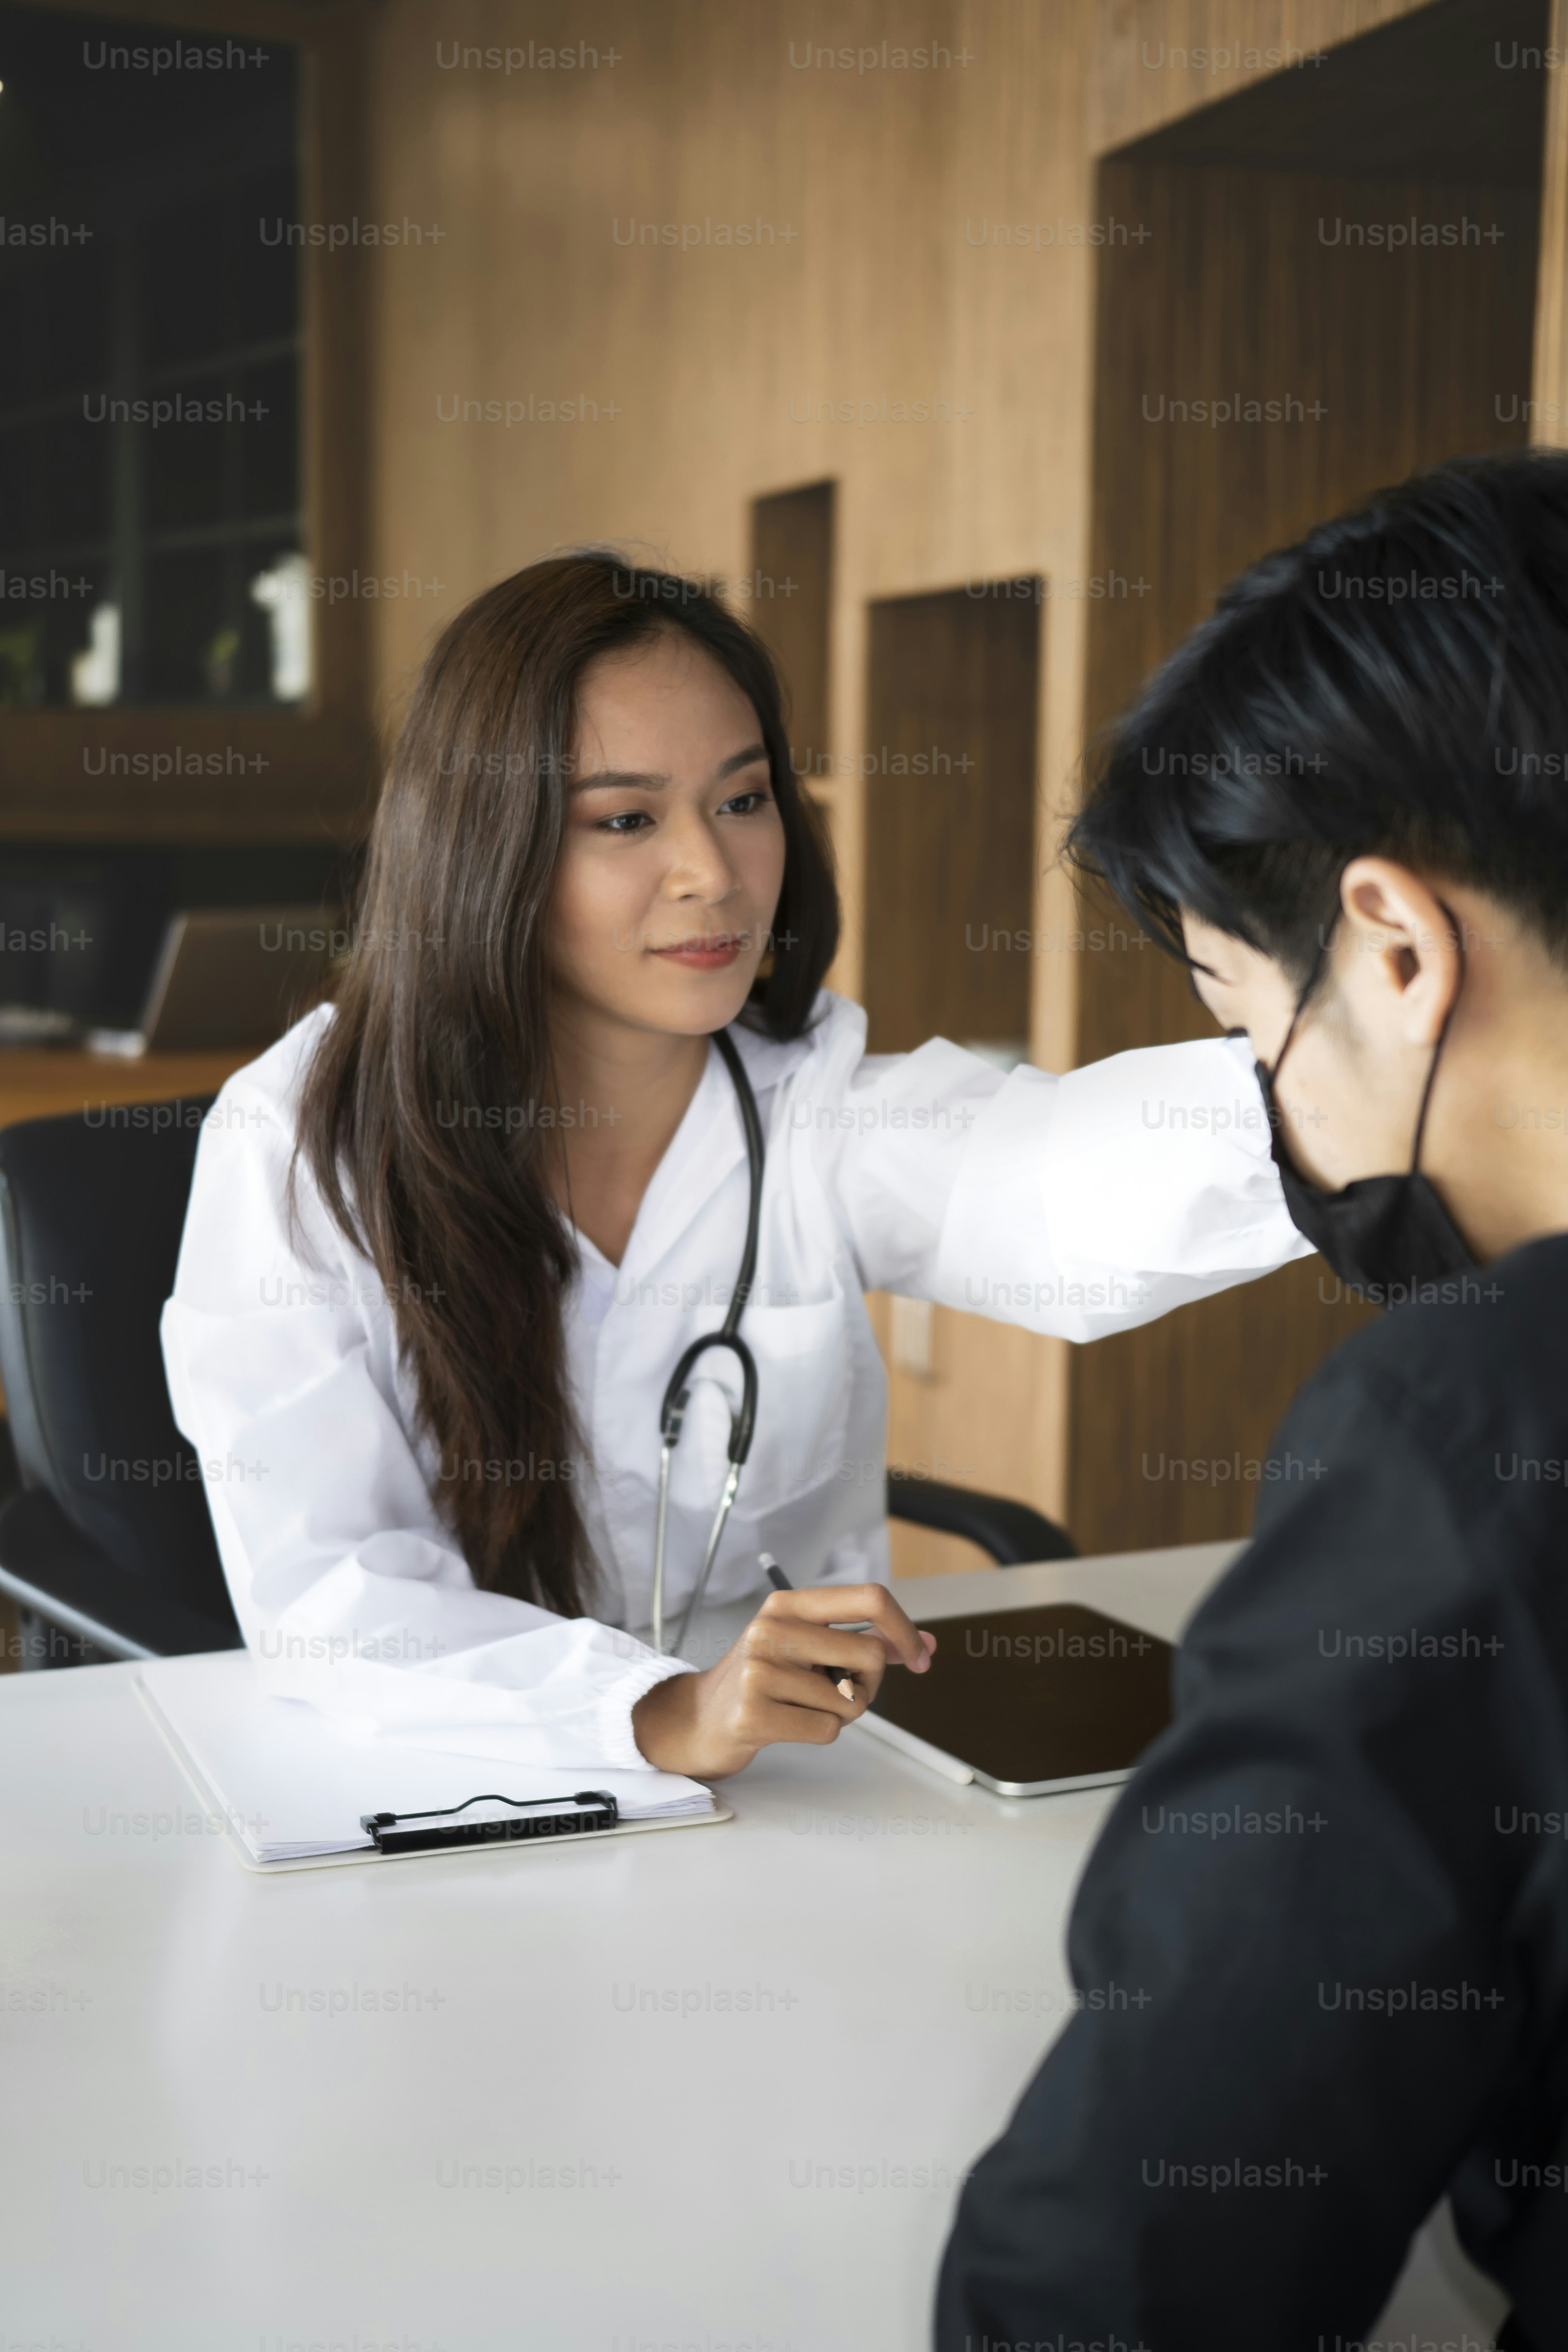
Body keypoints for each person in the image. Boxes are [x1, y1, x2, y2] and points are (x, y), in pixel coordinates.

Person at [161, 552, 1306, 1782]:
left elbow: (1057, 1189)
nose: (713, 871)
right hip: (442, 1792)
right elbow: (335, 1595)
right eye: (626, 818)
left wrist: (1372, 1083)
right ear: (485, 846)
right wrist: (659, 1713)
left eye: (745, 799)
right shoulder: (299, 1142)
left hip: (797, 1794)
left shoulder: (811, 1098)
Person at [937, 451, 1568, 2351]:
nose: (1265, 1110)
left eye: (1237, 1027)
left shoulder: (1467, 1431)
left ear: (1391, 946)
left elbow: (1133, 2277)